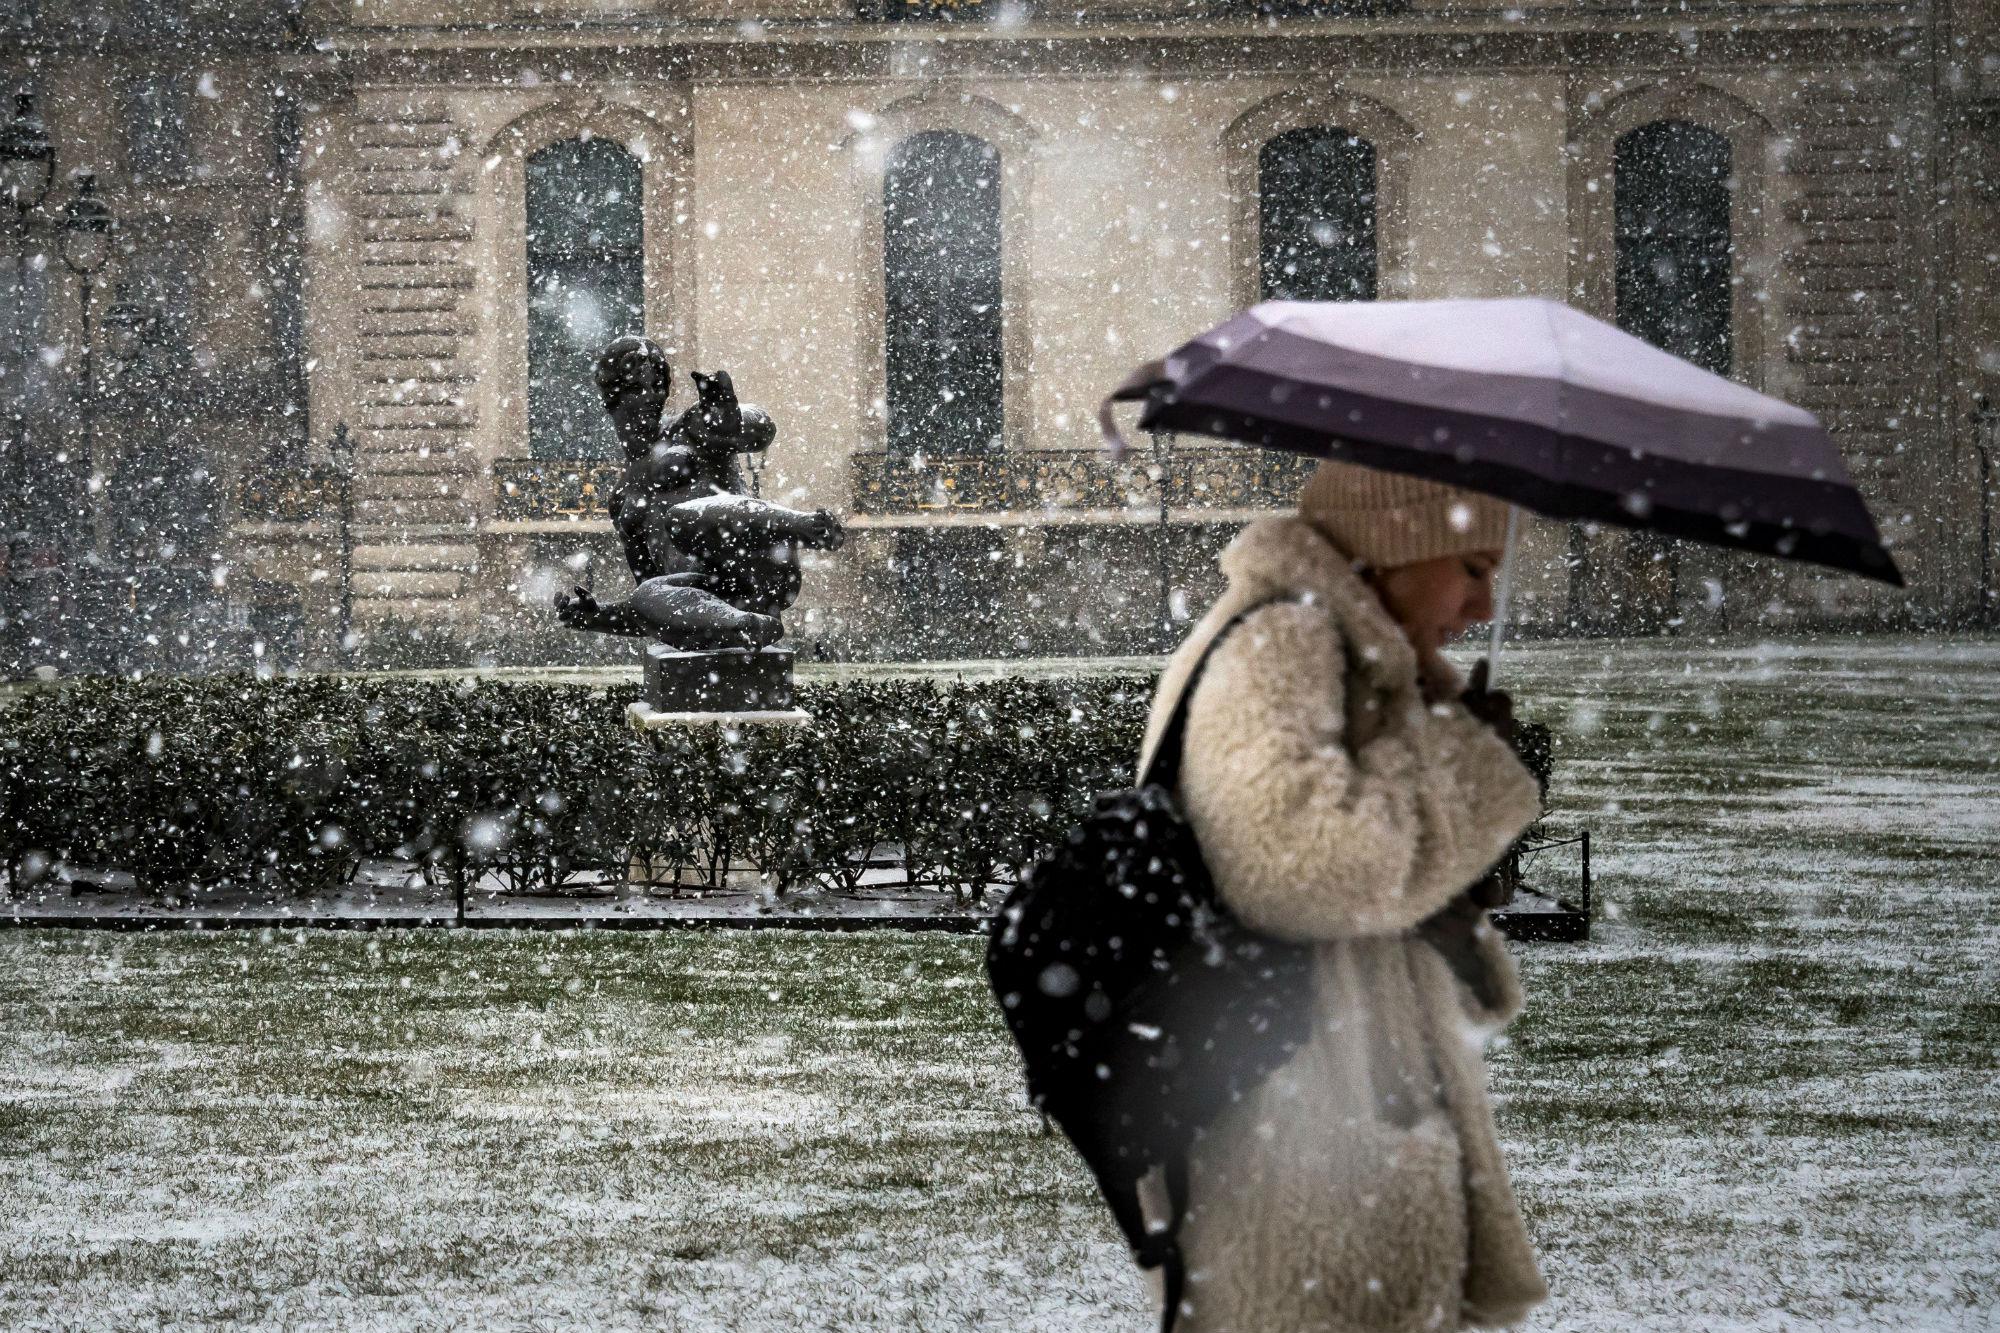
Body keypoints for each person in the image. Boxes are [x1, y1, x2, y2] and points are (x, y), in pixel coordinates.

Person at [1134, 458, 1549, 1332]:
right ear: (1393, 545)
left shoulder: (1339, 654)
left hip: (1322, 1102)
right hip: (1305, 1124)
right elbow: (1306, 870)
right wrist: (1460, 765)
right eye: (1471, 569)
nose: (1479, 608)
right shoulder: (1280, 643)